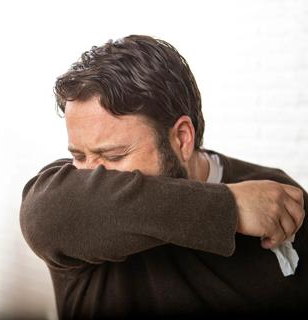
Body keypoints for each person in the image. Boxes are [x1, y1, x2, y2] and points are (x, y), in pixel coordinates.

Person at [19, 35, 307, 318]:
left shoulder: (276, 201)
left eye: (115, 156)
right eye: (79, 156)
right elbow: (44, 215)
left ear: (182, 139)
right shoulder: (64, 203)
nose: (92, 175)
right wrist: (230, 207)